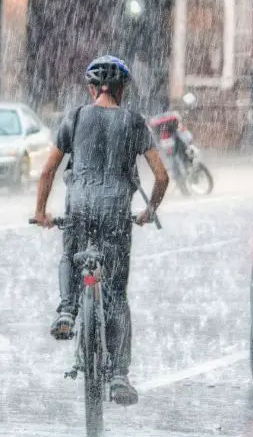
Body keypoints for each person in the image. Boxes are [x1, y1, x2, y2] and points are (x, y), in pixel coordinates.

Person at [32, 55, 170, 407]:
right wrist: (149, 210)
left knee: (69, 254)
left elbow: (47, 171)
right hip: (115, 213)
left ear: (92, 89)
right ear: (121, 90)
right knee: (117, 297)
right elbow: (162, 175)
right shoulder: (135, 122)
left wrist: (40, 212)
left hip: (79, 207)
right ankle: (120, 376)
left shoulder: (75, 117)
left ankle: (66, 310)